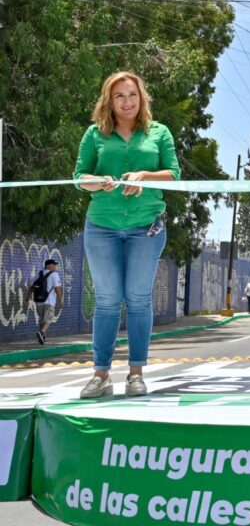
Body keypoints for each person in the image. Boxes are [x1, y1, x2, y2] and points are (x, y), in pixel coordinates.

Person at [74, 71, 181, 399]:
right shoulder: (95, 134)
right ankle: (101, 374)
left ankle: (136, 372)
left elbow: (173, 174)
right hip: (101, 227)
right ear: (109, 100)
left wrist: (146, 175)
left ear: (141, 97)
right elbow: (80, 177)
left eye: (132, 94)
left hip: (145, 227)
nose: (127, 101)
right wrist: (99, 181)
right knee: (107, 301)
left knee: (137, 299)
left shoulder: (159, 133)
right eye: (119, 96)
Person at [24, 258, 63, 344]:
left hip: (38, 302)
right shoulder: (54, 275)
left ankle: (42, 338)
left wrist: (27, 299)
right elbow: (57, 289)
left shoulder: (39, 274)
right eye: (54, 265)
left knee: (42, 320)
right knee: (48, 319)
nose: (55, 266)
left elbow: (31, 287)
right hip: (49, 301)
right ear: (49, 266)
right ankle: (41, 333)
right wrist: (60, 300)